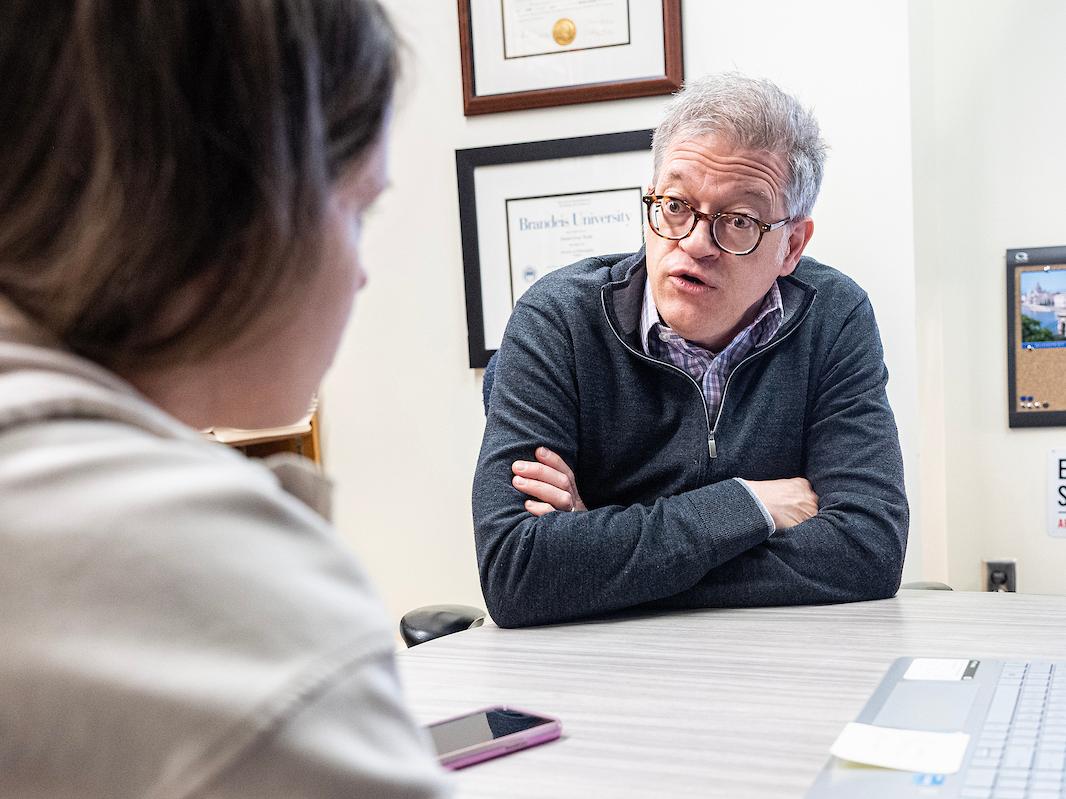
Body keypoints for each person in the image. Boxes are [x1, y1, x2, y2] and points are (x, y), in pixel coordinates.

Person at [0, 2, 450, 796]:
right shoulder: (203, 584)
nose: (361, 273)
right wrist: (745, 504)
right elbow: (525, 561)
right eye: (357, 207)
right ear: (242, 197)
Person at [473, 73, 909, 629]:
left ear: (791, 246)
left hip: (778, 666)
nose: (696, 243)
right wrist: (748, 505)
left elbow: (868, 550)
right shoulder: (556, 320)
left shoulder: (834, 317)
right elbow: (517, 573)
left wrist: (599, 558)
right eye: (676, 204)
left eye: (740, 221)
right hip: (595, 671)